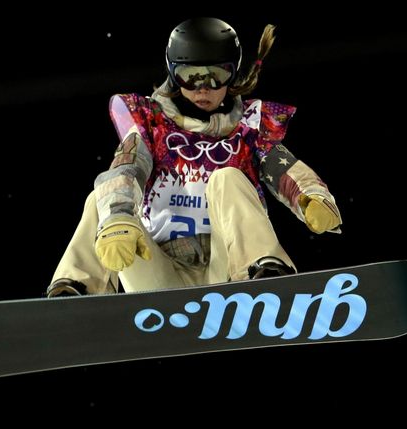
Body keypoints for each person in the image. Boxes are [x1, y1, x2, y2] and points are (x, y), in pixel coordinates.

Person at [46, 17, 342, 297]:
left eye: (216, 76)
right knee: (101, 198)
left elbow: (282, 166)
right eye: (191, 77)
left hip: (223, 262)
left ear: (233, 74)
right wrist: (118, 216)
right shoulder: (151, 123)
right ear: (174, 75)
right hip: (157, 267)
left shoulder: (247, 127)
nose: (203, 88)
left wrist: (311, 197)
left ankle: (264, 272)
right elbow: (128, 166)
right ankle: (76, 289)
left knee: (227, 177)